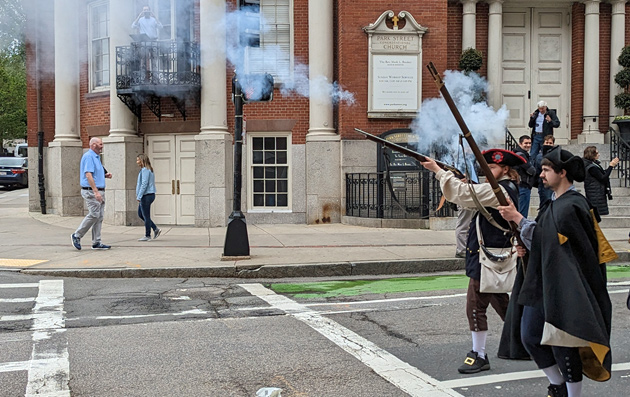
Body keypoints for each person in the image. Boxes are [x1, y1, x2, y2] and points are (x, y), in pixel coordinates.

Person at [498, 146, 614, 397]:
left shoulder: (573, 205)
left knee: (563, 343)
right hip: (544, 281)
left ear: (562, 173)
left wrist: (519, 219)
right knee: (530, 336)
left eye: (547, 170)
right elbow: (545, 241)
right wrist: (526, 247)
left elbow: (558, 242)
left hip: (565, 285)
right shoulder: (553, 204)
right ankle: (558, 385)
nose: (541, 174)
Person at [419, 149, 524, 374]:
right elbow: (468, 201)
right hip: (490, 253)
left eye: (493, 168)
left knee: (475, 306)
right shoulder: (504, 187)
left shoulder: (499, 189)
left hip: (488, 255)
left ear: (505, 169)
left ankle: (479, 354)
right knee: (501, 302)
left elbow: (459, 194)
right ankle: (525, 340)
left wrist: (439, 171)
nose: (488, 173)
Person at [71, 137, 112, 250]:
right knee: (94, 214)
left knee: (99, 217)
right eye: (100, 144)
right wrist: (96, 192)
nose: (102, 145)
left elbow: (94, 174)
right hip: (91, 191)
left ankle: (96, 242)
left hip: (98, 190)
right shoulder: (89, 156)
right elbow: (88, 174)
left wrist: (105, 175)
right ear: (93, 145)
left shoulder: (96, 157)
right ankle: (77, 235)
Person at [583, 146, 619, 216]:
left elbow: (601, 173)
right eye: (597, 153)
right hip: (595, 194)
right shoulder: (591, 167)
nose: (598, 154)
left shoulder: (593, 165)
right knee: (595, 216)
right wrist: (611, 166)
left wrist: (611, 166)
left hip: (596, 193)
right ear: (592, 154)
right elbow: (603, 178)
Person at [136, 154, 161, 241]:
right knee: (141, 214)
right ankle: (155, 228)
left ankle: (147, 235)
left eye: (138, 160)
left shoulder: (145, 170)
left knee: (146, 216)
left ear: (142, 160)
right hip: (147, 195)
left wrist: (139, 196)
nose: (137, 162)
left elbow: (144, 184)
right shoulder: (147, 169)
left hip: (146, 195)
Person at [513, 135, 536, 217]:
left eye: (530, 143)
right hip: (523, 186)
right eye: (526, 143)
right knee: (522, 214)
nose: (528, 145)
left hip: (521, 186)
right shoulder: (521, 155)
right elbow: (531, 170)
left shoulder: (521, 154)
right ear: (520, 144)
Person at [533, 135, 555, 209]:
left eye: (550, 143)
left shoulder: (556, 155)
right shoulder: (539, 156)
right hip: (544, 184)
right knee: (545, 205)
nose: (548, 145)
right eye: (547, 143)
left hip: (553, 183)